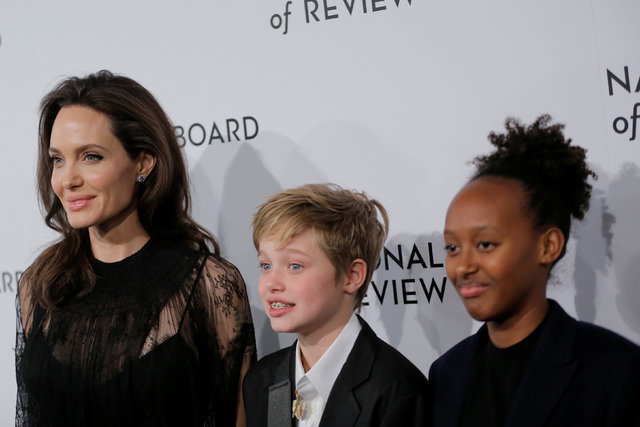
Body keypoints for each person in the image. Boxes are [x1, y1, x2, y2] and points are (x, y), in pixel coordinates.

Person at [15, 70, 256, 427]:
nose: (68, 180)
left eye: (91, 156)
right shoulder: (41, 285)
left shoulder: (209, 285)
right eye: (57, 159)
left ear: (143, 162)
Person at [429, 115, 640, 426]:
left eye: (485, 244)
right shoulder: (446, 374)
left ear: (548, 245)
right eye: (452, 248)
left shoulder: (616, 372)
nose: (463, 266)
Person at [243, 183, 431, 427]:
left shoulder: (397, 391)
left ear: (352, 276)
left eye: (295, 266)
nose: (271, 284)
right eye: (266, 266)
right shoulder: (260, 380)